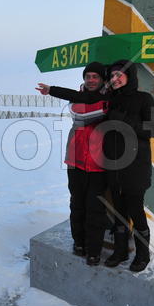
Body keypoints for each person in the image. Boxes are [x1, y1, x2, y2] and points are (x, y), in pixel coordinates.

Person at [37, 59, 154, 271]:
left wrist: (127, 122)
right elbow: (81, 96)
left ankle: (143, 254)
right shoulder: (109, 98)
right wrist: (52, 90)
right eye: (112, 75)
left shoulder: (144, 99)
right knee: (119, 211)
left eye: (120, 74)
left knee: (136, 212)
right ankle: (120, 251)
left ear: (129, 76)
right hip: (112, 165)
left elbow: (153, 130)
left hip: (135, 167)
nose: (115, 78)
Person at [38, 63, 109, 265]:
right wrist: (51, 90)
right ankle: (79, 242)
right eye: (88, 76)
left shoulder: (107, 99)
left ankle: (94, 250)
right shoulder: (77, 100)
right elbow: (81, 102)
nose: (91, 80)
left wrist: (53, 90)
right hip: (75, 161)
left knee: (95, 209)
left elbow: (90, 101)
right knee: (77, 205)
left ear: (103, 79)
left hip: (99, 164)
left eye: (96, 76)